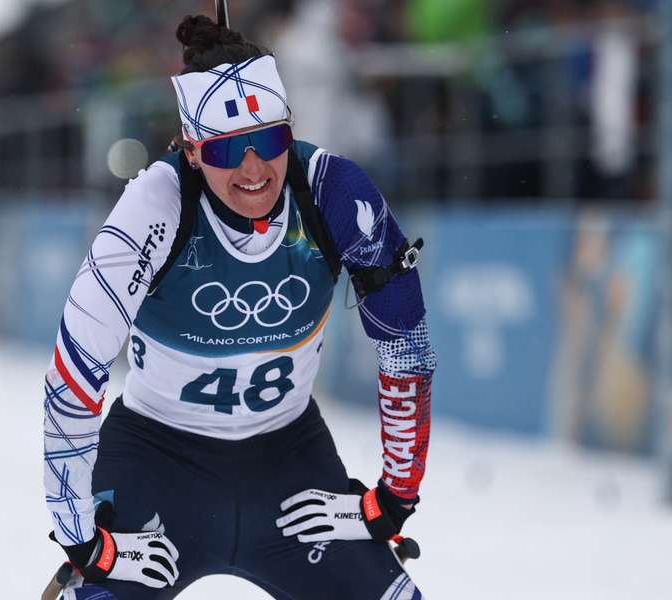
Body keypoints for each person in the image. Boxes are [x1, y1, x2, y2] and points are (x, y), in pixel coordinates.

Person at [43, 14, 435, 600]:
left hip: (290, 467)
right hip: (156, 461)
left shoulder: (331, 189)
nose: (254, 170)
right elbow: (73, 379)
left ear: (289, 131)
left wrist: (394, 499)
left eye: (270, 141)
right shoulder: (155, 205)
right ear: (192, 150)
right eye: (227, 149)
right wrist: (82, 542)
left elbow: (406, 347)